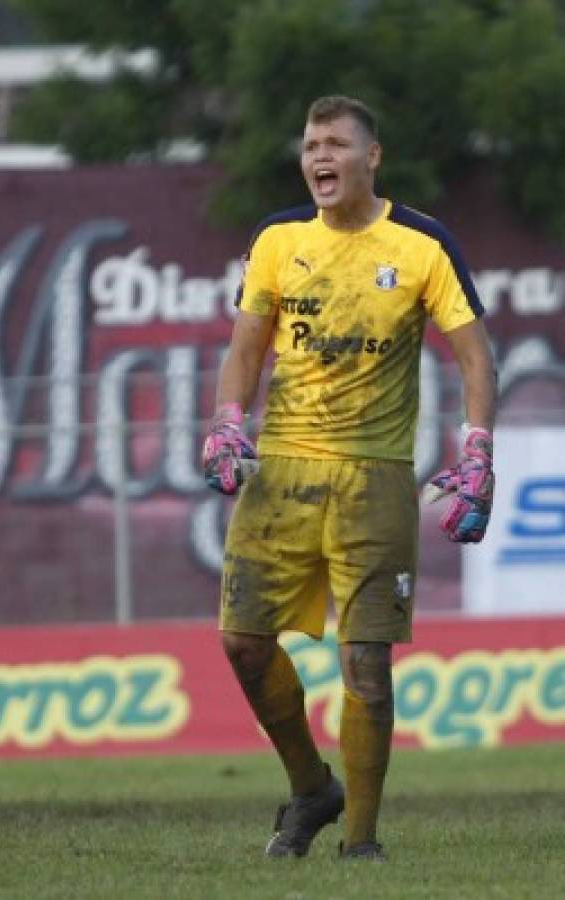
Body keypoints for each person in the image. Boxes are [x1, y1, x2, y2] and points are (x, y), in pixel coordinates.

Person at [202, 95, 496, 861]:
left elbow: (475, 355)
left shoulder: (424, 244)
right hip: (283, 475)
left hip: (374, 479)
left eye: (335, 143)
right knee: (241, 642)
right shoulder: (276, 239)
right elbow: (245, 348)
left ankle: (360, 845)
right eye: (309, 145)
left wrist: (477, 454)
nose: (319, 156)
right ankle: (311, 789)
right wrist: (229, 419)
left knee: (365, 663)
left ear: (373, 157)